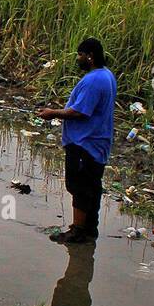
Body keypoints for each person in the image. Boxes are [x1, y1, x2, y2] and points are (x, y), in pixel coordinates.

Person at [35, 38, 117, 244]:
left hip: (84, 143)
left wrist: (52, 113)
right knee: (92, 188)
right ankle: (90, 230)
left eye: (80, 55)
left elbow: (80, 112)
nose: (78, 59)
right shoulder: (106, 75)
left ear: (90, 56)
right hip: (97, 142)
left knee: (78, 187)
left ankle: (77, 231)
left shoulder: (93, 81)